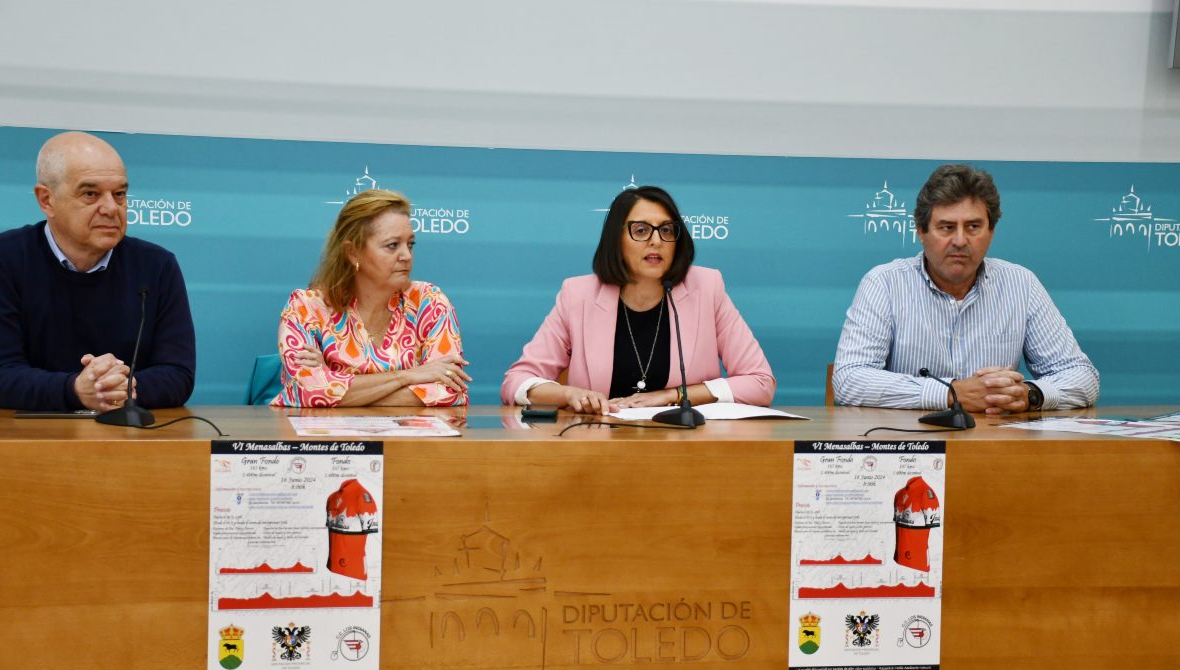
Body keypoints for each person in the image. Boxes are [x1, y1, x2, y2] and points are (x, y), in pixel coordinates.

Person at [832, 164, 1099, 414]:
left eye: (973, 227)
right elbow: (849, 379)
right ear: (920, 232)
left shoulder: (1021, 284)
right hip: (911, 451)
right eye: (946, 227)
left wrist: (1029, 394)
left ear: (991, 232)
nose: (960, 241)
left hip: (996, 450)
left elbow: (1082, 376)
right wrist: (951, 393)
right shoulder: (884, 284)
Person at [501, 185, 774, 414]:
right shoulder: (579, 295)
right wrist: (571, 395)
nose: (656, 241)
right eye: (641, 230)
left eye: (667, 230)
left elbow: (760, 382)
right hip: (597, 447)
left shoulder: (706, 287)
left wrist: (672, 396)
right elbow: (517, 382)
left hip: (687, 449)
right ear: (616, 239)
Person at [0, 131, 196, 411]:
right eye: (90, 194)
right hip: (24, 440)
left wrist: (121, 388)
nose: (110, 208)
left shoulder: (157, 266)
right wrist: (75, 390)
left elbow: (178, 374)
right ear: (47, 200)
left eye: (119, 194)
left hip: (129, 440)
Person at [272, 189, 469, 407]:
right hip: (329, 440)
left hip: (410, 439)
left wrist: (338, 387)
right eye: (392, 245)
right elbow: (306, 390)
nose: (406, 256)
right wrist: (409, 376)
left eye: (410, 244)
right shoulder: (307, 308)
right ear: (353, 252)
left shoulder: (429, 302)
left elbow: (450, 390)